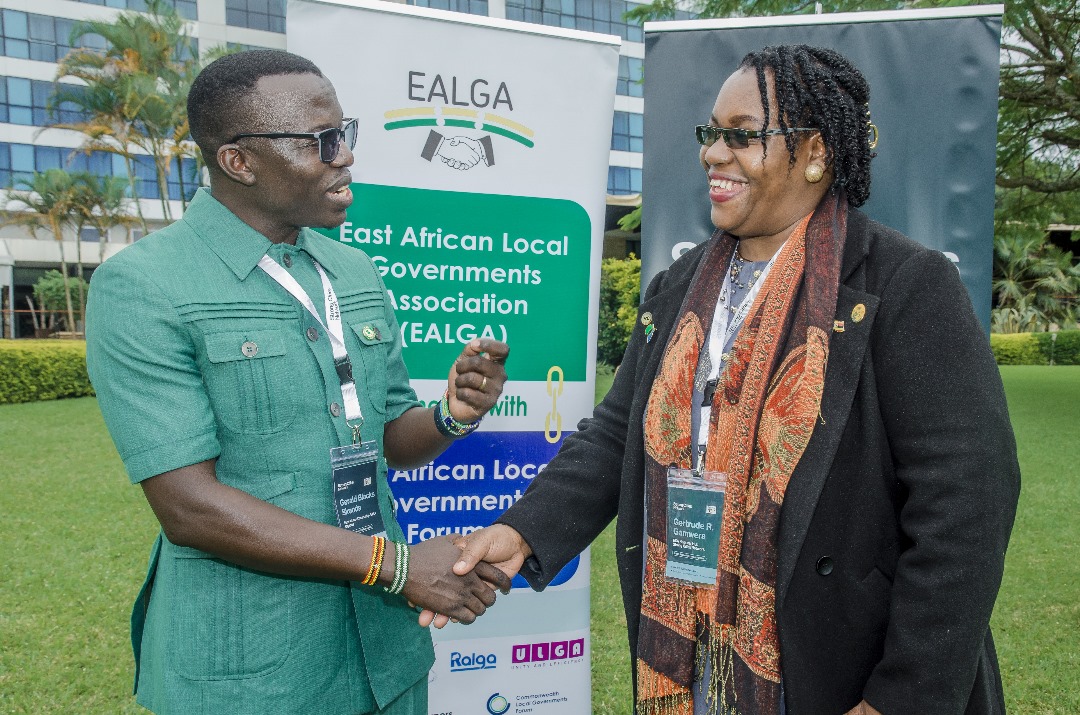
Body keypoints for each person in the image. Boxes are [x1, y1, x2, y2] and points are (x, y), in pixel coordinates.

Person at [451, 45, 1020, 714]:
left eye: (742, 135)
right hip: (692, 653)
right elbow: (615, 436)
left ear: (814, 152)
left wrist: (901, 698)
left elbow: (966, 505)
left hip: (834, 665)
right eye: (711, 133)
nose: (713, 154)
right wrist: (523, 530)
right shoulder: (677, 288)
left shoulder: (903, 284)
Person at [86, 50, 511, 715]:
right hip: (255, 673)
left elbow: (390, 438)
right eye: (322, 142)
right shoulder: (145, 286)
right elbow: (189, 505)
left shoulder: (353, 271)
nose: (344, 157)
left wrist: (452, 413)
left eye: (345, 135)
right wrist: (397, 566)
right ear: (239, 161)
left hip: (385, 655)